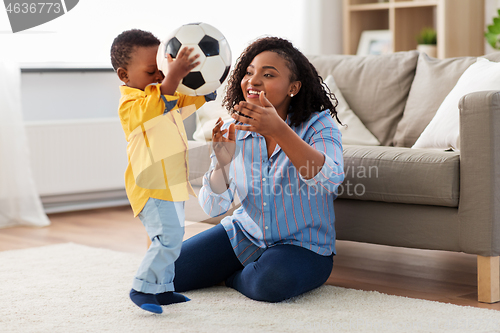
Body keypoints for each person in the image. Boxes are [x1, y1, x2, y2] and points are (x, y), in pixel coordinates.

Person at [173, 36, 345, 302]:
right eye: (249, 72)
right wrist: (222, 161)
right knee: (168, 273)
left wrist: (279, 129)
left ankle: (234, 277)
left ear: (294, 87)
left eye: (268, 74)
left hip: (303, 246)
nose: (252, 80)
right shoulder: (235, 128)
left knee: (270, 283)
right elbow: (214, 207)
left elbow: (330, 180)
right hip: (244, 233)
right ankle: (248, 267)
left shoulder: (319, 125)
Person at [110, 29, 216, 314]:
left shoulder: (164, 94)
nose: (159, 77)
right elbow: (157, 104)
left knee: (174, 238)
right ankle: (142, 287)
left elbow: (184, 99)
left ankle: (163, 289)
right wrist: (173, 76)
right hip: (151, 185)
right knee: (167, 238)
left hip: (172, 183)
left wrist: (207, 83)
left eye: (161, 70)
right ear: (124, 76)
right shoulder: (131, 106)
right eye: (150, 72)